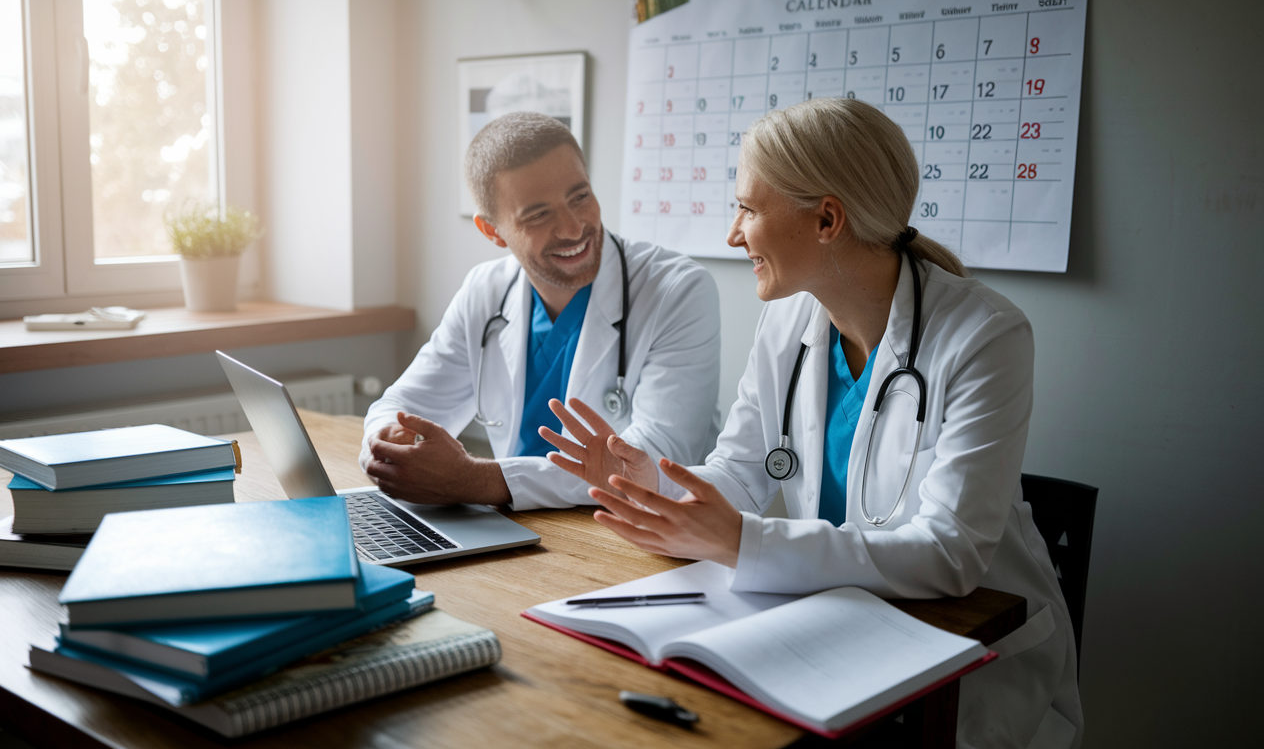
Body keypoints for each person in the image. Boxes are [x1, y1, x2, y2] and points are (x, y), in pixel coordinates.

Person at [545, 98, 1083, 748]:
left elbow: (951, 554)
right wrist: (654, 479)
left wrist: (746, 543)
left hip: (963, 662)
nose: (732, 234)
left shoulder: (984, 337)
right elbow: (740, 472)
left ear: (827, 219)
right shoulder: (791, 320)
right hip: (836, 631)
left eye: (747, 208)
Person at [361, 112, 720, 510]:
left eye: (580, 196)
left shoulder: (676, 290)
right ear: (493, 231)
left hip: (640, 533)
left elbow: (655, 460)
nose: (573, 228)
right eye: (538, 215)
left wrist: (473, 480)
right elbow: (401, 404)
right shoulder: (486, 290)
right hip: (520, 530)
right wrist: (386, 444)